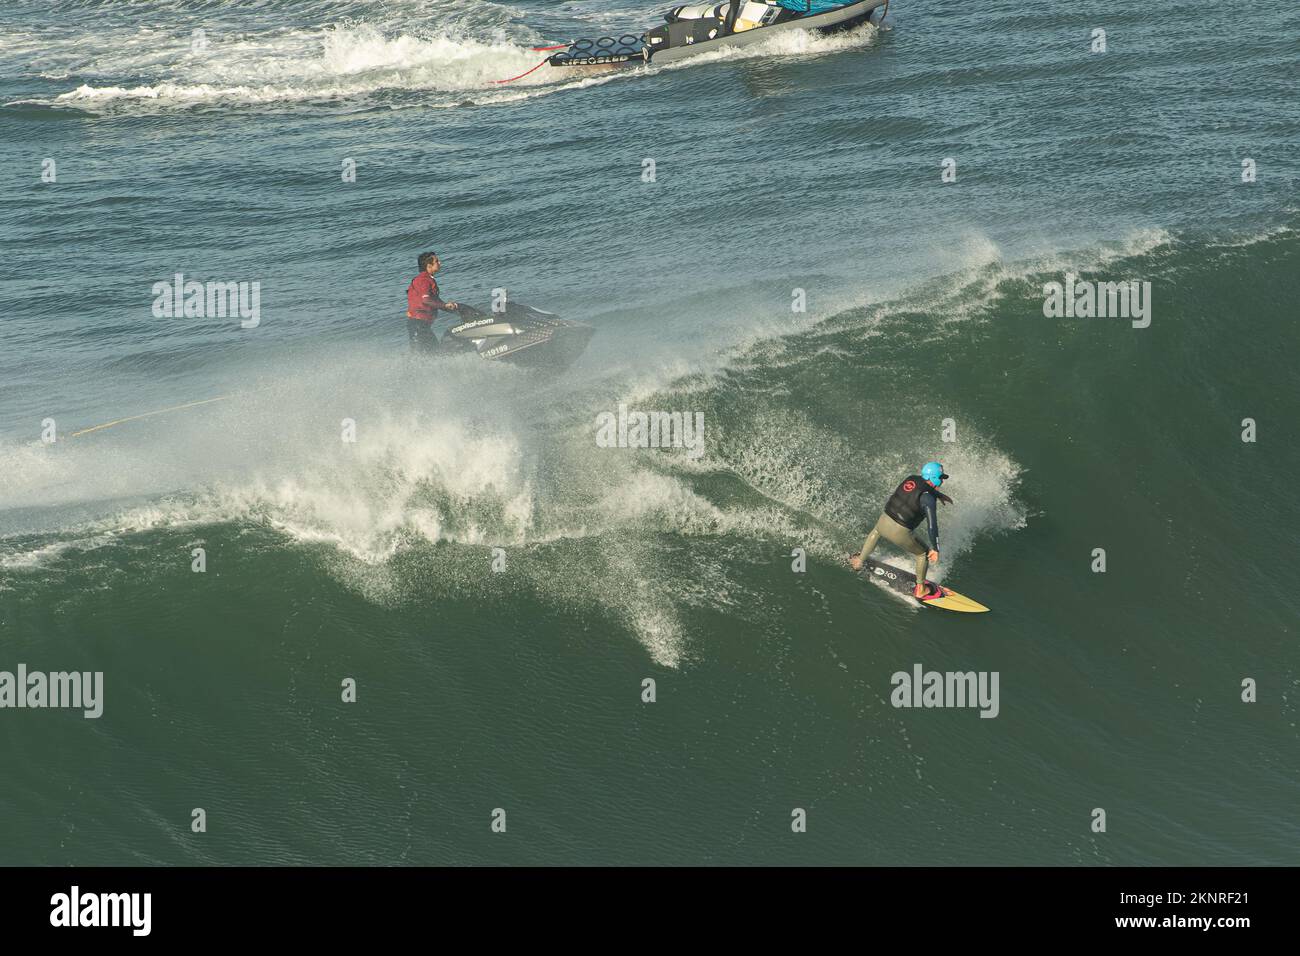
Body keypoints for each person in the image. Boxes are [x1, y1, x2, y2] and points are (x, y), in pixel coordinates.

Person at [850, 462, 954, 599]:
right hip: (901, 531)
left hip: (883, 521)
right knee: (923, 554)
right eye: (941, 478)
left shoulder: (911, 479)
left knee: (876, 532)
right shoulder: (929, 499)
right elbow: (932, 526)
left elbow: (922, 487)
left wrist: (939, 495)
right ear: (934, 478)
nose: (942, 481)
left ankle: (859, 561)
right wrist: (935, 548)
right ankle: (921, 589)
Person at [406, 251, 460, 352]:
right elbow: (426, 300)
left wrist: (454, 309)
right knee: (425, 356)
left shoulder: (428, 279)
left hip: (421, 325)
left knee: (433, 353)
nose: (440, 263)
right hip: (418, 325)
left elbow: (436, 302)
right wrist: (445, 305)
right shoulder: (423, 280)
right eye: (437, 261)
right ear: (429, 265)